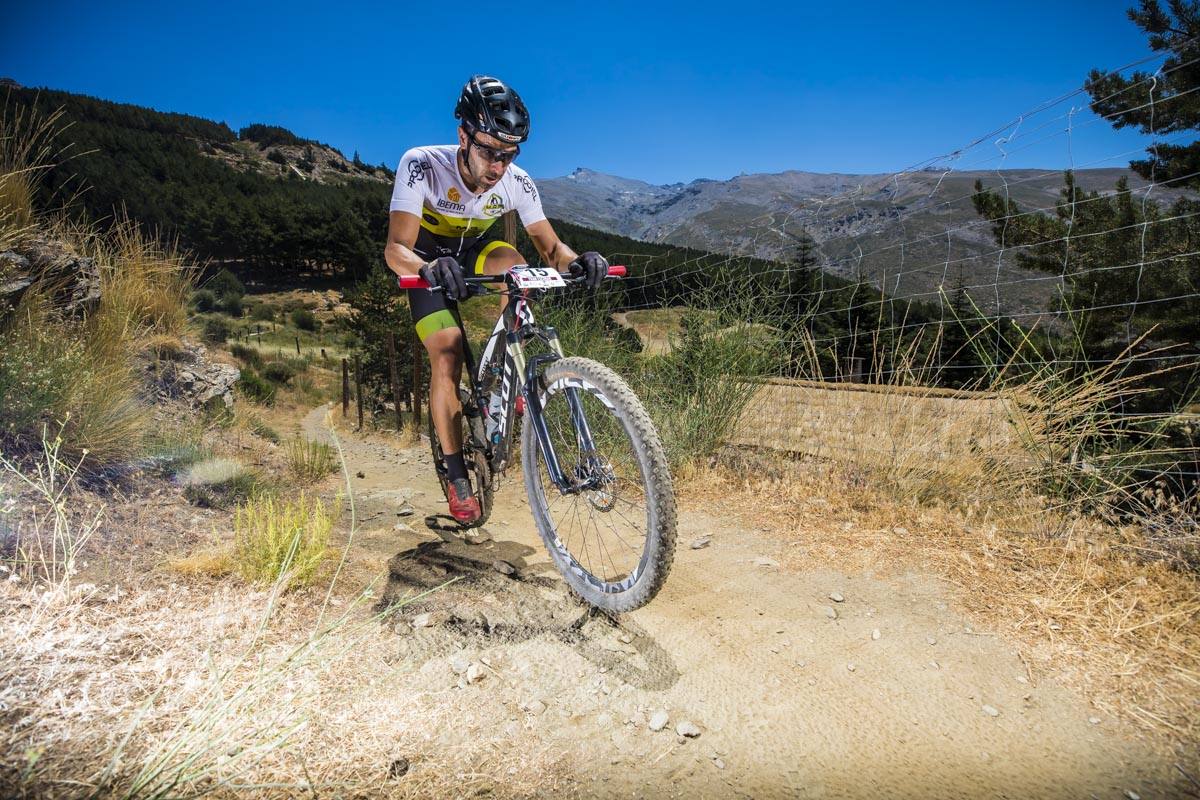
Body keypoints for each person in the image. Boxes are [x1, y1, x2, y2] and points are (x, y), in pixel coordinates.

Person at [384, 75, 610, 524]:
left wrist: (579, 261)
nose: (498, 166)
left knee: (519, 265)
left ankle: (508, 362)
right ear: (463, 136)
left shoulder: (517, 182)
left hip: (473, 253)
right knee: (447, 354)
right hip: (426, 261)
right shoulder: (422, 165)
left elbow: (552, 249)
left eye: (509, 155)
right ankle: (456, 476)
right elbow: (395, 250)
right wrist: (427, 269)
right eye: (488, 150)